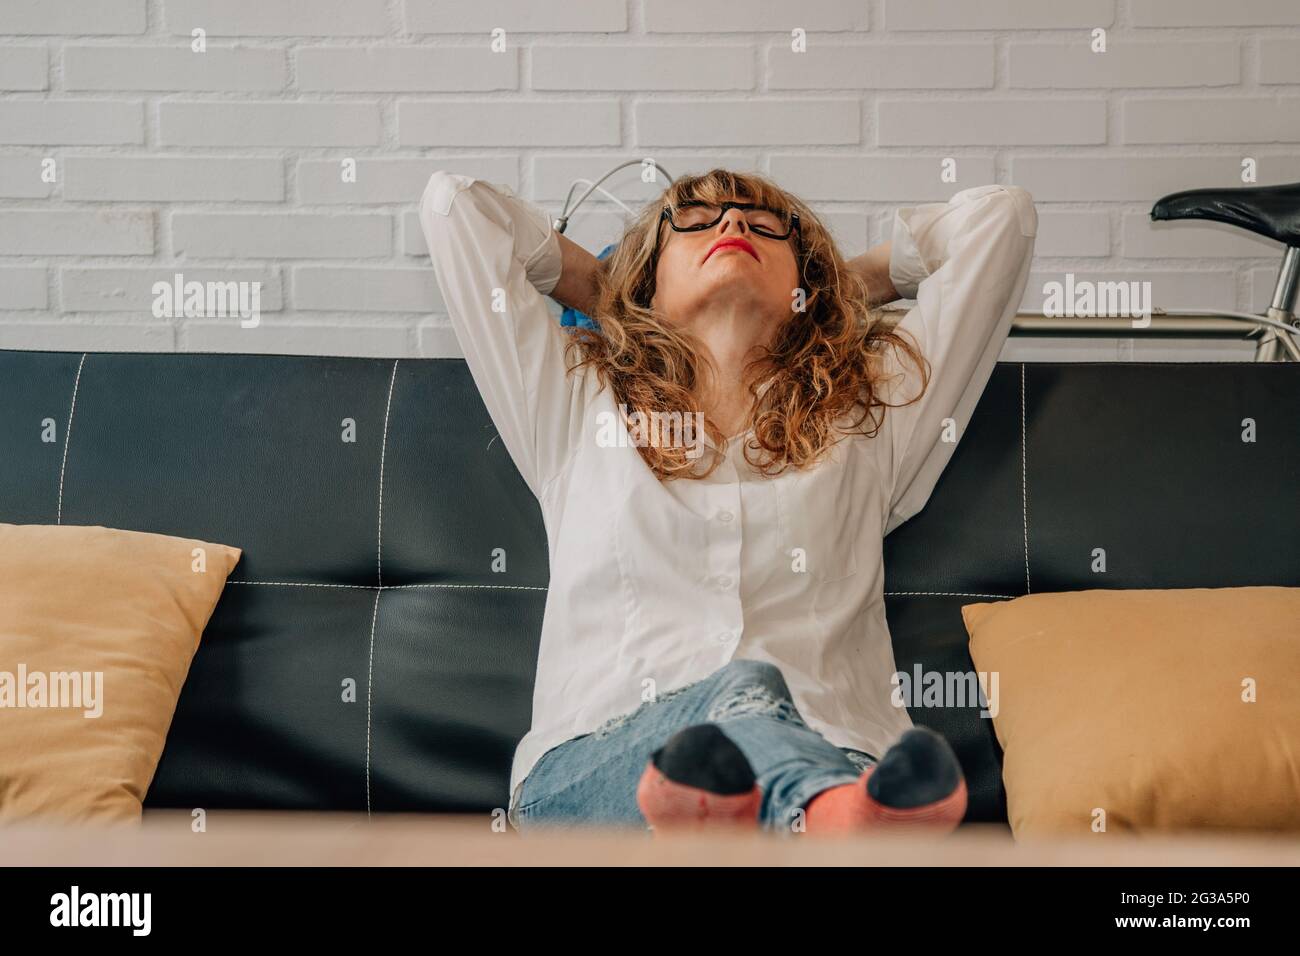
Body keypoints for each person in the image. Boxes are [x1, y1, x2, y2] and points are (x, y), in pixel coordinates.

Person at [418, 167, 1037, 836]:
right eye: (696, 219)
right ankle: (832, 821)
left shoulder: (869, 414)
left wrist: (834, 292)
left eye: (765, 222)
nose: (734, 225)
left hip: (835, 744)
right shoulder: (575, 399)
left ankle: (779, 817)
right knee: (746, 692)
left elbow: (1001, 221)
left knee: (754, 709)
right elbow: (456, 209)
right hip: (598, 769)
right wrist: (606, 291)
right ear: (646, 274)